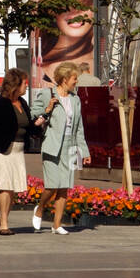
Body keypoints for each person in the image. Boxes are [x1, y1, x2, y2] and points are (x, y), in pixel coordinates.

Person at [30, 62, 91, 234]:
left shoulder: (75, 99)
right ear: (64, 79)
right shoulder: (46, 93)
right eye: (74, 78)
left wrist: (84, 151)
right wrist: (47, 109)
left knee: (65, 186)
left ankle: (57, 225)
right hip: (52, 144)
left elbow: (79, 127)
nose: (76, 82)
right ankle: (40, 208)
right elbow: (34, 115)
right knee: (52, 185)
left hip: (71, 146)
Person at [0, 68, 36, 235]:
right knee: (4, 186)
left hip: (18, 151)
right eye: (24, 83)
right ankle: (3, 223)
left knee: (12, 188)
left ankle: (4, 220)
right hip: (2, 150)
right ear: (15, 84)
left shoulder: (22, 102)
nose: (26, 87)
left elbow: (29, 125)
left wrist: (40, 122)